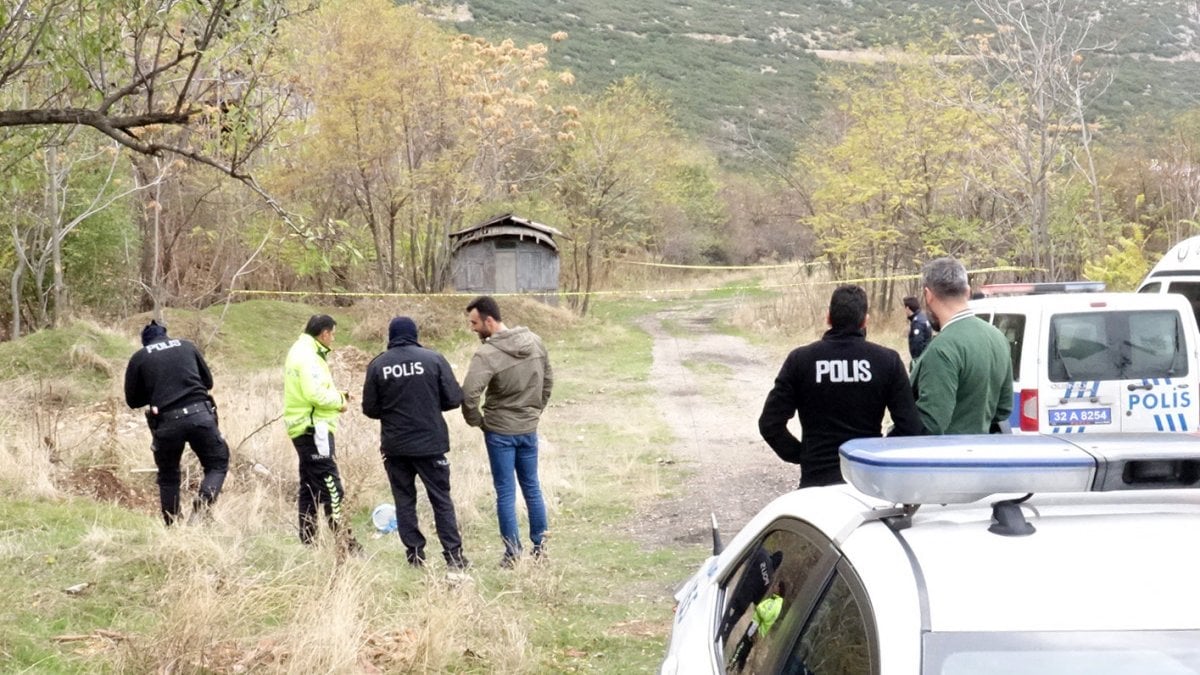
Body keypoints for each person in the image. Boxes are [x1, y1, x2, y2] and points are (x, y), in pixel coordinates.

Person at [758, 285, 923, 488]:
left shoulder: (800, 360)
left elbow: (769, 423)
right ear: (865, 321)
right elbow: (911, 427)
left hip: (816, 480)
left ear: (828, 318)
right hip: (868, 481)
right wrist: (877, 451)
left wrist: (803, 455)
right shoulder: (887, 361)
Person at [362, 316, 469, 569]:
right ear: (415, 334)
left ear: (391, 336)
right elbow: (454, 398)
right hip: (431, 444)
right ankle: (453, 556)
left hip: (395, 446)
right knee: (441, 499)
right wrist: (431, 404)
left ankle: (415, 556)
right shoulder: (433, 359)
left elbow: (369, 408)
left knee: (404, 500)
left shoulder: (378, 365)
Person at [461, 296, 553, 567]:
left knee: (506, 491)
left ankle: (513, 554)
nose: (473, 328)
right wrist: (534, 411)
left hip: (500, 432)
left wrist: (478, 421)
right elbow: (548, 381)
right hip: (528, 428)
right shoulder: (535, 341)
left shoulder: (487, 354)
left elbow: (468, 396)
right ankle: (541, 548)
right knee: (532, 487)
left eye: (475, 323)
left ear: (489, 320)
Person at [124, 320, 229, 526]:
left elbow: (132, 401)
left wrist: (156, 392)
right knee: (217, 464)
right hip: (201, 415)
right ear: (166, 335)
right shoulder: (187, 346)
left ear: (145, 342)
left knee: (169, 475)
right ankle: (205, 500)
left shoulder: (139, 358)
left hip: (167, 422)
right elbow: (208, 382)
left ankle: (173, 526)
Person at [283, 314, 361, 553]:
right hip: (313, 429)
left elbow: (315, 390)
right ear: (324, 333)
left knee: (309, 486)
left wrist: (340, 394)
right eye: (333, 334)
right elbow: (314, 395)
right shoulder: (308, 357)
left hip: (303, 426)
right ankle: (345, 543)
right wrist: (340, 401)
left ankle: (308, 541)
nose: (334, 339)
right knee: (331, 486)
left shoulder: (300, 350)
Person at [910, 257, 1013, 434]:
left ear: (928, 295)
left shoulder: (942, 349)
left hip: (947, 456)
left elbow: (931, 423)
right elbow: (1003, 409)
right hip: (981, 453)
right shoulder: (998, 337)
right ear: (967, 291)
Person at [903, 295, 933, 361]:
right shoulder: (922, 316)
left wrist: (916, 362)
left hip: (921, 359)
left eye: (904, 308)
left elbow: (918, 344)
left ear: (907, 308)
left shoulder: (918, 322)